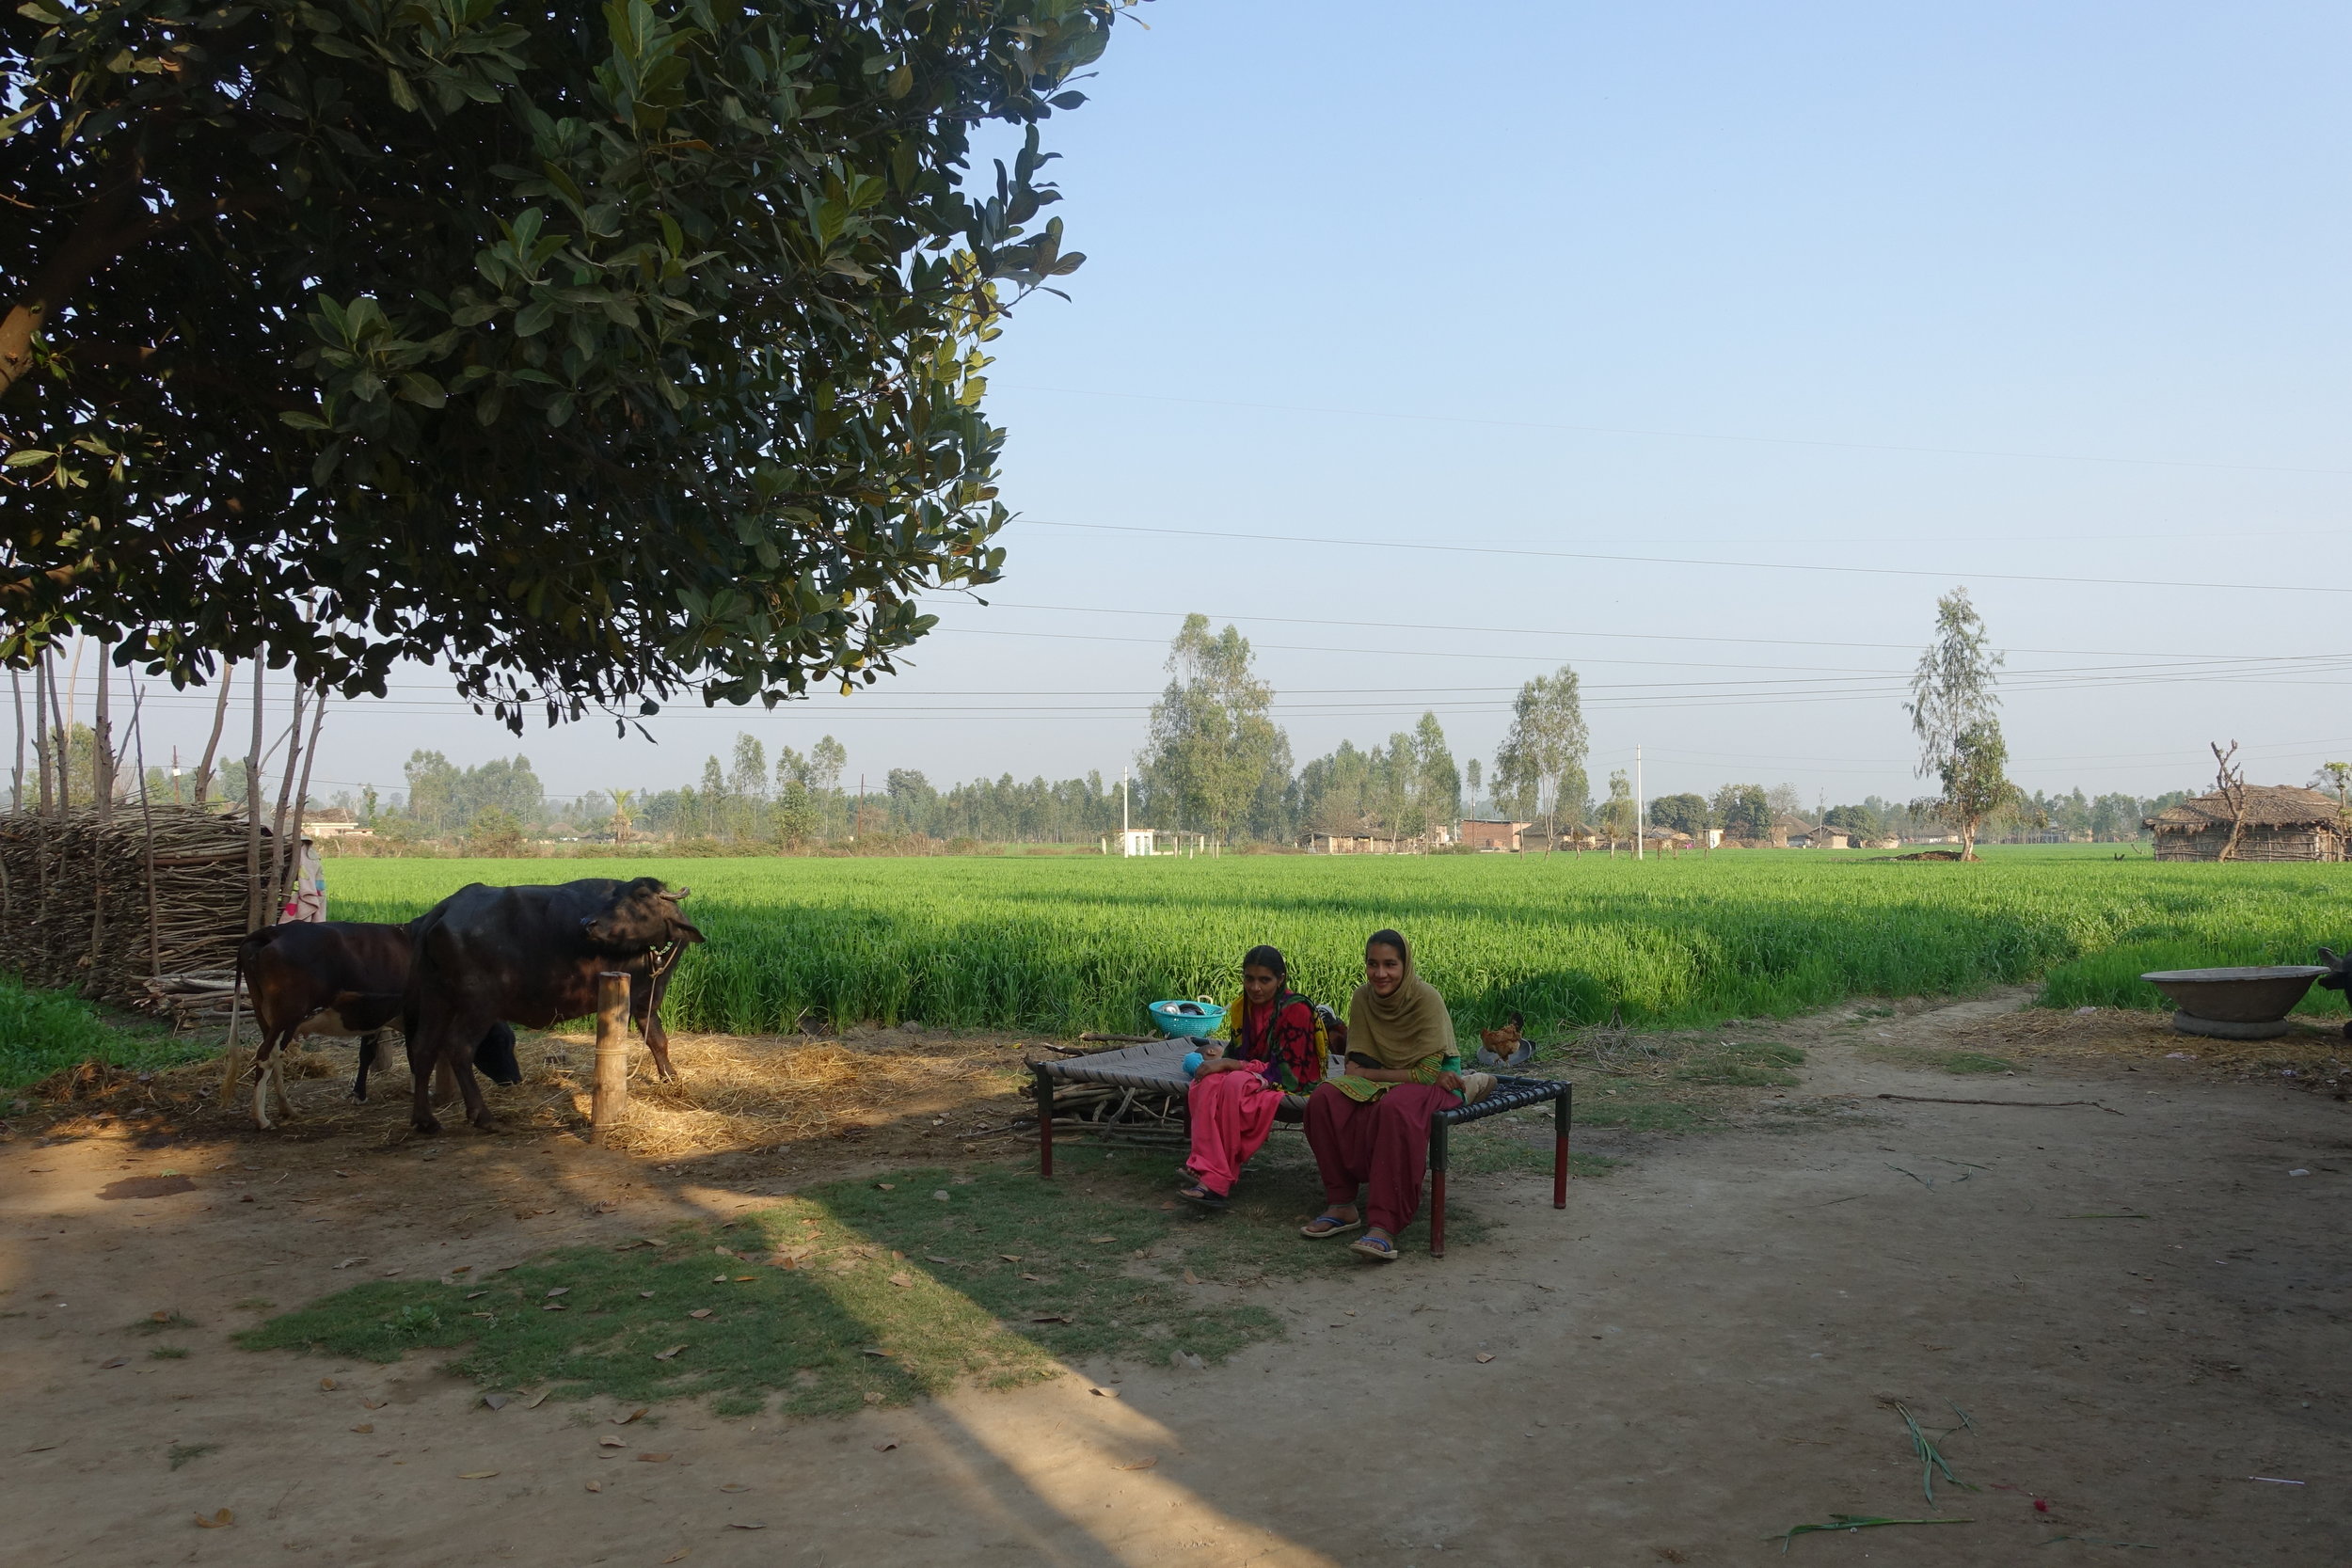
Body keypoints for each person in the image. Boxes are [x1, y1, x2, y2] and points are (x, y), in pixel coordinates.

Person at [1299, 928, 1462, 1261]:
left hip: (1437, 1085)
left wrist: (1370, 1075)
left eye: (1390, 964)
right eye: (1373, 964)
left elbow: (1426, 1074)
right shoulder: (1363, 998)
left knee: (1395, 1108)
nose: (1380, 974)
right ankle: (1342, 1204)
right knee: (1323, 1099)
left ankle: (1385, 1223)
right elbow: (1354, 1063)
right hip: (1386, 1082)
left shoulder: (1426, 998)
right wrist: (1368, 1074)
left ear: (1406, 966)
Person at [1177, 945, 1333, 1208]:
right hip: (1254, 1072)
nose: (1255, 988)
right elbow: (1237, 1053)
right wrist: (1225, 1064)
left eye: (1264, 980)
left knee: (1234, 1082)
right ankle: (1207, 1165)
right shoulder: (1241, 1007)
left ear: (1281, 979)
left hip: (1291, 1078)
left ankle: (1213, 1178)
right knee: (1206, 1080)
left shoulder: (1296, 1009)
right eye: (1249, 979)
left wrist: (1232, 1064)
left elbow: (1288, 1068)